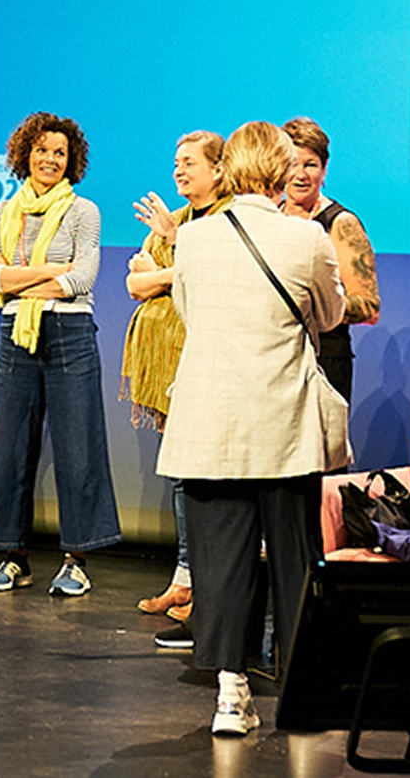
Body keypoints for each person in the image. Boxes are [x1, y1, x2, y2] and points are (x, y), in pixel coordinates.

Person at [157, 121, 344, 737]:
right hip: (282, 426)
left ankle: (231, 695)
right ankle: (300, 689)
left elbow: (187, 311)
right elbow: (330, 313)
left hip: (211, 424)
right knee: (294, 560)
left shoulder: (194, 238)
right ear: (280, 169)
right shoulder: (306, 237)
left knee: (221, 564)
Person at [0, 112, 120, 596]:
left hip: (70, 335)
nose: (50, 160)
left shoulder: (85, 212)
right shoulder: (2, 214)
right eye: (42, 151)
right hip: (15, 335)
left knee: (78, 448)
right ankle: (13, 556)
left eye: (60, 153)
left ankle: (76, 560)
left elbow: (81, 278)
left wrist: (20, 278)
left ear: (71, 160)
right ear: (24, 156)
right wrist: (45, 274)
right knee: (10, 448)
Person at [121, 132, 230, 639]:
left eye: (189, 163)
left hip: (204, 370)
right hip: (166, 374)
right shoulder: (179, 224)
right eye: (175, 163)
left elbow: (201, 277)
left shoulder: (223, 220)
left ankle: (205, 585)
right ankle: (184, 577)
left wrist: (167, 261)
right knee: (180, 477)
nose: (179, 172)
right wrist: (169, 269)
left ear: (219, 169)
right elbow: (134, 284)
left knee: (201, 479)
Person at [281, 117, 380, 404]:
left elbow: (369, 307)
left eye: (310, 164)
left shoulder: (341, 224)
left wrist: (309, 302)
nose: (300, 174)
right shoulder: (268, 217)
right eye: (292, 164)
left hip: (324, 360)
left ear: (324, 170)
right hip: (274, 359)